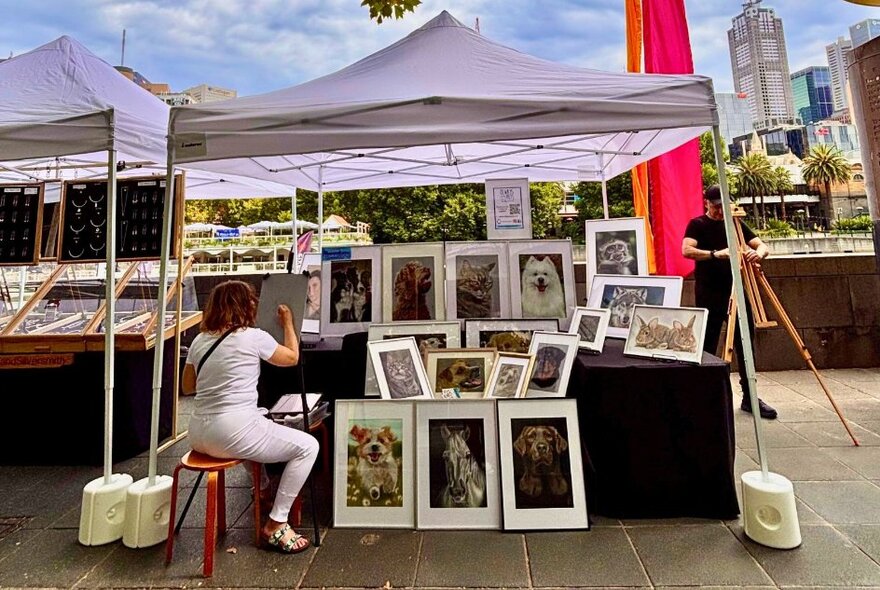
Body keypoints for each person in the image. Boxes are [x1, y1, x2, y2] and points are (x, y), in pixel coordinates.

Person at [182, 280, 319, 553]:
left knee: (255, 432)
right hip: (234, 432)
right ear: (246, 305)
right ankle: (277, 522)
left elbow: (187, 386)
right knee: (307, 446)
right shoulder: (253, 336)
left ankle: (264, 488)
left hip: (198, 434)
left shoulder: (199, 340)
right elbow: (291, 358)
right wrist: (288, 322)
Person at [682, 185, 778, 420]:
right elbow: (686, 250)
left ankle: (750, 395)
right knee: (708, 343)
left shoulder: (735, 224)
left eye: (722, 206)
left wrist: (760, 253)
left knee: (745, 342)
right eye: (715, 206)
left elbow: (760, 244)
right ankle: (705, 395)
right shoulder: (698, 224)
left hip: (736, 290)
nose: (719, 211)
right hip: (709, 293)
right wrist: (716, 254)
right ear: (707, 203)